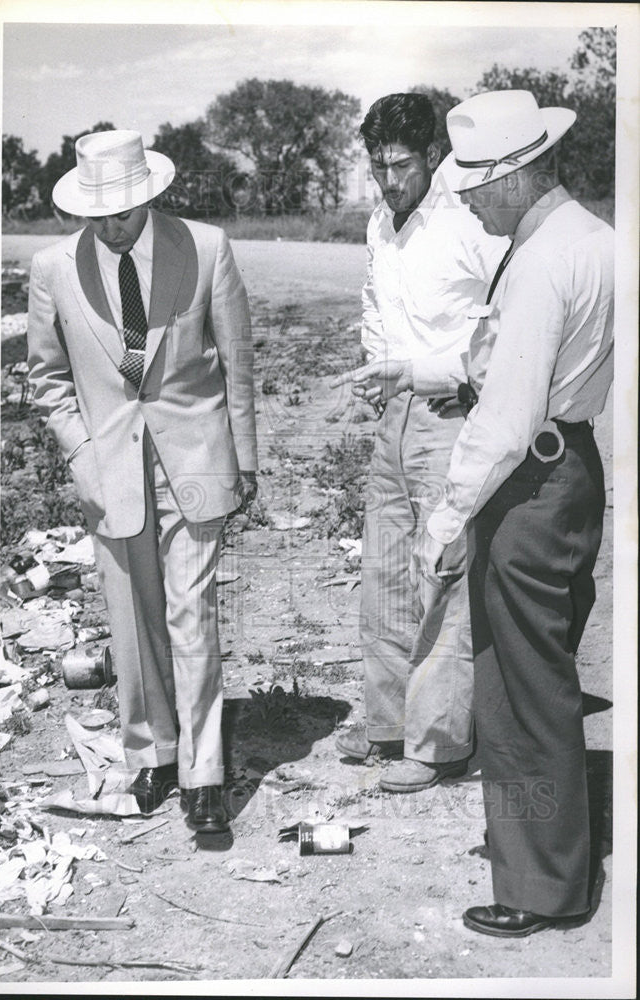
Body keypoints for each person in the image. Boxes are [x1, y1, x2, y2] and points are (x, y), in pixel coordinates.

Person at [342, 90, 614, 936]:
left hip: (528, 480)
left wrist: (444, 519)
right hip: (565, 467)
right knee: (539, 676)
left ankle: (539, 888)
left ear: (519, 172)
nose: (464, 195)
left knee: (516, 693)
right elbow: (483, 349)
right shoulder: (584, 239)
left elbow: (500, 412)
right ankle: (547, 849)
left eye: (476, 182)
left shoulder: (536, 262)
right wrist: (417, 371)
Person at [27, 129, 258, 833]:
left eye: (123, 213)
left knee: (192, 619)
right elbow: (47, 382)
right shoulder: (52, 268)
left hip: (194, 465)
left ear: (150, 196)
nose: (111, 226)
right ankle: (152, 755)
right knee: (132, 629)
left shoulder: (207, 248)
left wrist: (244, 461)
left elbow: (237, 368)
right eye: (96, 215)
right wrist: (86, 461)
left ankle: (204, 776)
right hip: (111, 477)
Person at [331, 93, 508, 792]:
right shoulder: (380, 221)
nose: (386, 179)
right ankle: (385, 723)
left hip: (452, 415)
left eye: (399, 165)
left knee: (442, 579)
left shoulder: (471, 221)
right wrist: (378, 362)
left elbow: (504, 324)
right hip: (393, 416)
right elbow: (374, 301)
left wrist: (441, 373)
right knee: (383, 572)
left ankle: (437, 744)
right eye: (376, 165)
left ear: (433, 155)